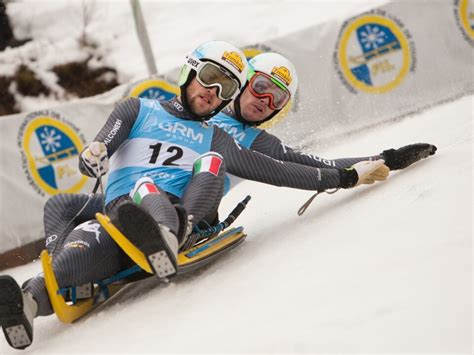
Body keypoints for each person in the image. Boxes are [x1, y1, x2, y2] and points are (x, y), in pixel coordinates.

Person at [0, 40, 388, 350]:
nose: (215, 92)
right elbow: (103, 142)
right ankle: (29, 302)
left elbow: (281, 170)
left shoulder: (217, 137)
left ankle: (170, 236)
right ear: (189, 70)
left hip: (179, 209)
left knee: (167, 179)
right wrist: (95, 152)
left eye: (227, 87)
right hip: (121, 216)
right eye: (211, 78)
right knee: (74, 236)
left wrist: (348, 175)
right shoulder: (139, 108)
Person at [209, 52, 437, 194]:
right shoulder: (200, 110)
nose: (265, 101)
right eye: (260, 87)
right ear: (241, 84)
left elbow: (321, 164)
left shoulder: (256, 141)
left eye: (277, 99)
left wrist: (389, 159)